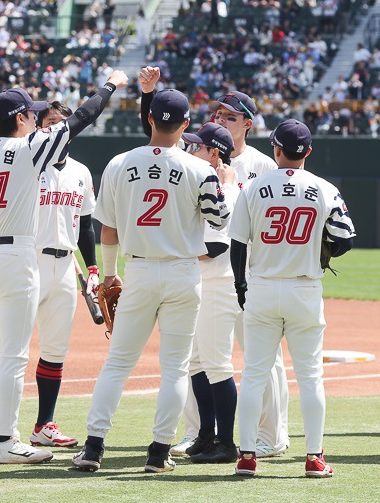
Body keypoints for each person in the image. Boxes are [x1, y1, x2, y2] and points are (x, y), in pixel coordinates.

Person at [0, 72, 128, 465]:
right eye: (31, 114)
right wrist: (110, 84)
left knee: (4, 352)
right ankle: (4, 440)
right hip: (17, 256)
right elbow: (84, 116)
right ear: (20, 118)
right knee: (14, 355)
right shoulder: (29, 148)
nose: (36, 119)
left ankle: (0, 433)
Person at [72, 81, 229, 474]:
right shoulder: (199, 168)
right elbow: (220, 219)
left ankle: (93, 448)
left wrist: (109, 275)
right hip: (182, 271)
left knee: (118, 363)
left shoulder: (119, 162)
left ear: (148, 118)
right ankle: (158, 453)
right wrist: (223, 185)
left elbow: (106, 229)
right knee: (175, 367)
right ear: (186, 123)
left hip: (138, 268)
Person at [229, 119, 355, 478]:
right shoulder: (324, 188)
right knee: (311, 377)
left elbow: (238, 243)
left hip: (264, 286)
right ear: (309, 152)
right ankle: (314, 457)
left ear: (276, 149)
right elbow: (345, 239)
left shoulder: (254, 187)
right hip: (304, 288)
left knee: (253, 375)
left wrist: (241, 286)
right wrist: (321, 249)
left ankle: (248, 456)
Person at [176, 92, 287, 461]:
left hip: (250, 273)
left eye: (231, 116)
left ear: (247, 124)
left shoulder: (263, 165)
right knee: (200, 354)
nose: (222, 119)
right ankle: (199, 432)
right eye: (218, 114)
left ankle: (270, 434)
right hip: (208, 274)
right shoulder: (194, 162)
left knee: (261, 356)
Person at [139, 79, 240, 464]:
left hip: (217, 283)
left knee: (215, 362)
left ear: (215, 153)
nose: (189, 146)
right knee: (196, 362)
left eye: (196, 144)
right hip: (197, 282)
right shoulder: (198, 179)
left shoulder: (224, 186)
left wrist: (172, 250)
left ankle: (227, 444)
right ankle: (206, 436)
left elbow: (213, 245)